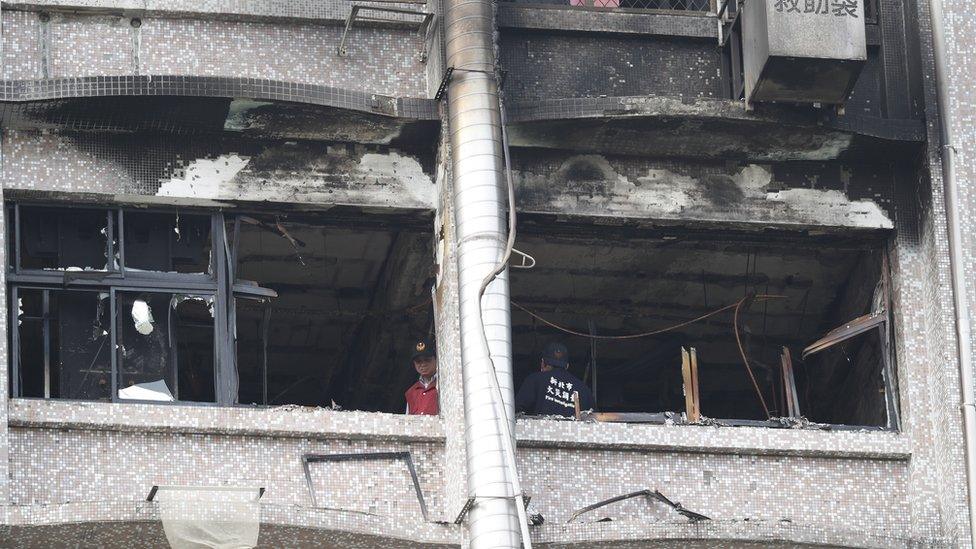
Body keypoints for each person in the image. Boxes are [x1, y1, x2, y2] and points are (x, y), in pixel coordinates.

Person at [515, 342, 594, 417]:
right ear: (567, 366)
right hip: (573, 431)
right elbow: (594, 420)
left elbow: (516, 410)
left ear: (542, 363)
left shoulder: (534, 380)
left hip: (539, 430)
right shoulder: (583, 389)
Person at [405, 336, 438, 415]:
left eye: (427, 360)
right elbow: (408, 419)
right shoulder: (411, 392)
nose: (423, 364)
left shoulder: (444, 386)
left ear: (436, 359)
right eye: (418, 362)